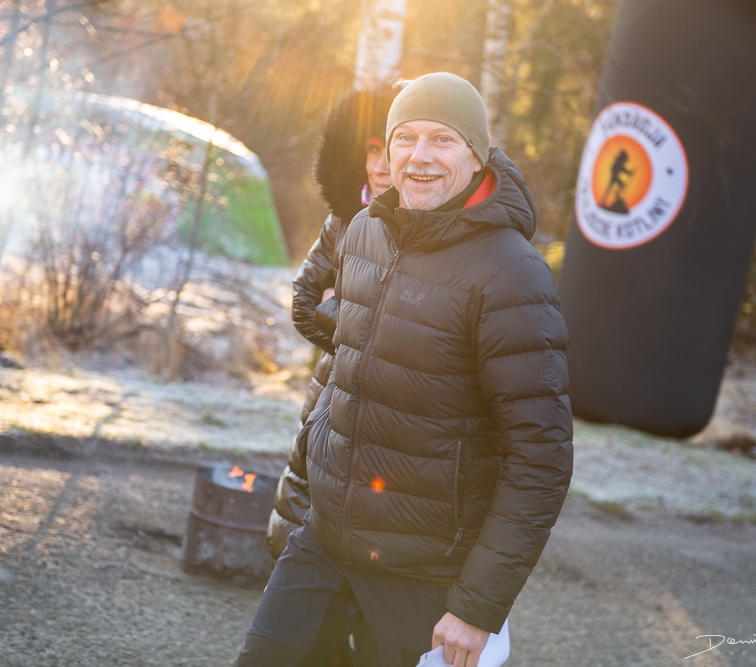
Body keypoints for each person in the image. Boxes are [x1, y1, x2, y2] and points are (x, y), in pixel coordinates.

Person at [237, 72, 574, 667]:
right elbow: (345, 373)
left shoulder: (512, 275)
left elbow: (540, 458)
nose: (420, 156)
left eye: (442, 139)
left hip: (423, 568)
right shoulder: (365, 231)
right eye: (405, 137)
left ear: (476, 155)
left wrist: (478, 607)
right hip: (325, 541)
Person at [267, 84, 400, 559]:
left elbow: (407, 334)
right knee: (299, 510)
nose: (380, 165)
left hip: (389, 413)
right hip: (328, 388)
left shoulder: (420, 237)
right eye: (372, 149)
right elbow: (304, 305)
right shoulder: (344, 218)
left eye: (391, 150)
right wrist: (342, 315)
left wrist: (339, 307)